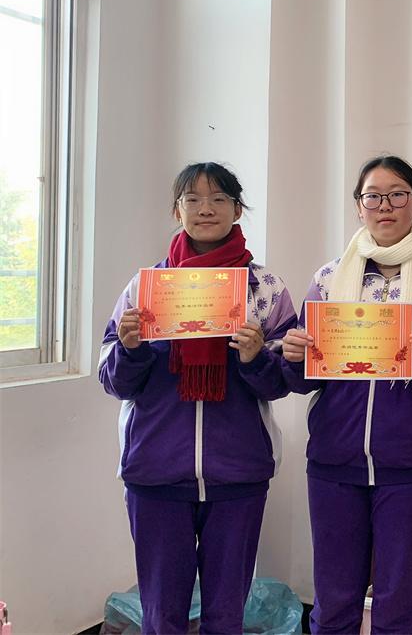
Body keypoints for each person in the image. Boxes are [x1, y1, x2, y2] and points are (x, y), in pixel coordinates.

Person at [99, 162, 297, 634]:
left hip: (238, 474)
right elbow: (114, 382)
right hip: (155, 472)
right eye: (193, 200)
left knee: (226, 614)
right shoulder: (145, 287)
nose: (205, 209)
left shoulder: (264, 289)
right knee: (161, 613)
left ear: (237, 210)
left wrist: (254, 358)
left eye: (219, 199)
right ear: (177, 210)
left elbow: (284, 381)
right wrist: (130, 349)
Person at [281, 155, 412, 635]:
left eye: (397, 195)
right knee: (333, 603)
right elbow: (302, 380)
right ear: (358, 207)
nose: (385, 206)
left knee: (397, 604)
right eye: (373, 196)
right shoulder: (329, 279)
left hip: (409, 465)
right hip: (333, 463)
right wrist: (295, 356)